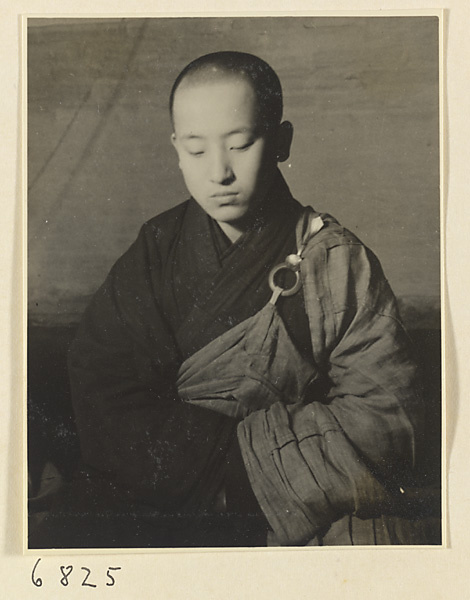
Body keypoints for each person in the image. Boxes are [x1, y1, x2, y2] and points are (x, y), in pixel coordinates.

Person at [30, 51, 432, 548]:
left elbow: (390, 417)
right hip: (161, 495)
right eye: (197, 151)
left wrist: (245, 472)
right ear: (176, 149)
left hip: (293, 505)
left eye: (240, 144)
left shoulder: (334, 260)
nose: (219, 173)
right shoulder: (158, 247)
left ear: (282, 142)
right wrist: (209, 469)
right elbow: (103, 388)